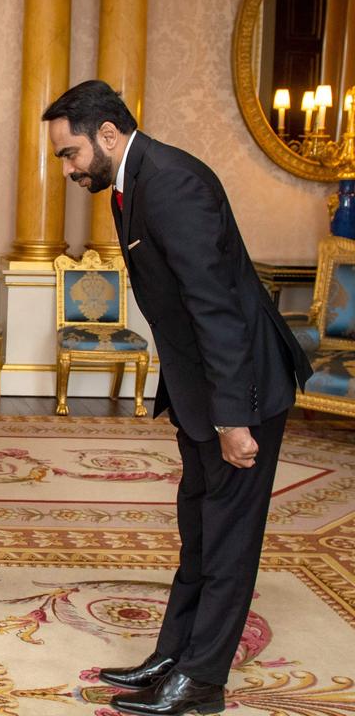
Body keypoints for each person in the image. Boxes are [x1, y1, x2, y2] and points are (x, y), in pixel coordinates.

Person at [43, 80, 311, 716]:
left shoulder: (171, 182)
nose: (67, 169)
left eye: (69, 153)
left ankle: (203, 682)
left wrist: (233, 419)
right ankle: (173, 656)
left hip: (238, 389)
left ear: (107, 133)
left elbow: (215, 309)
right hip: (203, 391)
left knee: (228, 540)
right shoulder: (131, 183)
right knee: (199, 531)